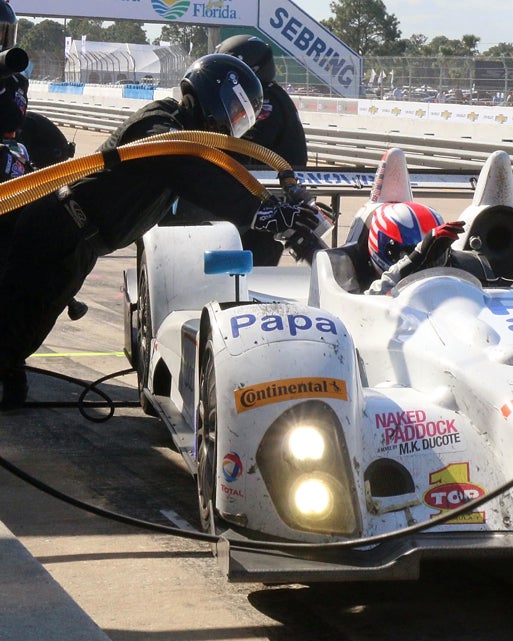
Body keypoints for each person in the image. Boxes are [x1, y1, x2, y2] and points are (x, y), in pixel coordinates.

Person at [0, 54, 322, 411]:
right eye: (233, 110)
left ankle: (9, 375)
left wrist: (271, 211)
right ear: (210, 94)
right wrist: (260, 212)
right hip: (59, 230)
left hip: (76, 241)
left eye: (239, 118)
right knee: (18, 323)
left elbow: (204, 186)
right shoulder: (162, 124)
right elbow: (188, 168)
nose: (233, 124)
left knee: (24, 324)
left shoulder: (185, 141)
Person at [214, 34, 309, 266]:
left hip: (262, 201)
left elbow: (244, 145)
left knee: (242, 276)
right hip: (264, 198)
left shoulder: (265, 100)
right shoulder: (272, 94)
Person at [361, 201, 464, 296]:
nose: (428, 266)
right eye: (410, 253)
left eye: (436, 254)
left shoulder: (460, 277)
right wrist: (415, 258)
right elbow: (367, 302)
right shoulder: (364, 297)